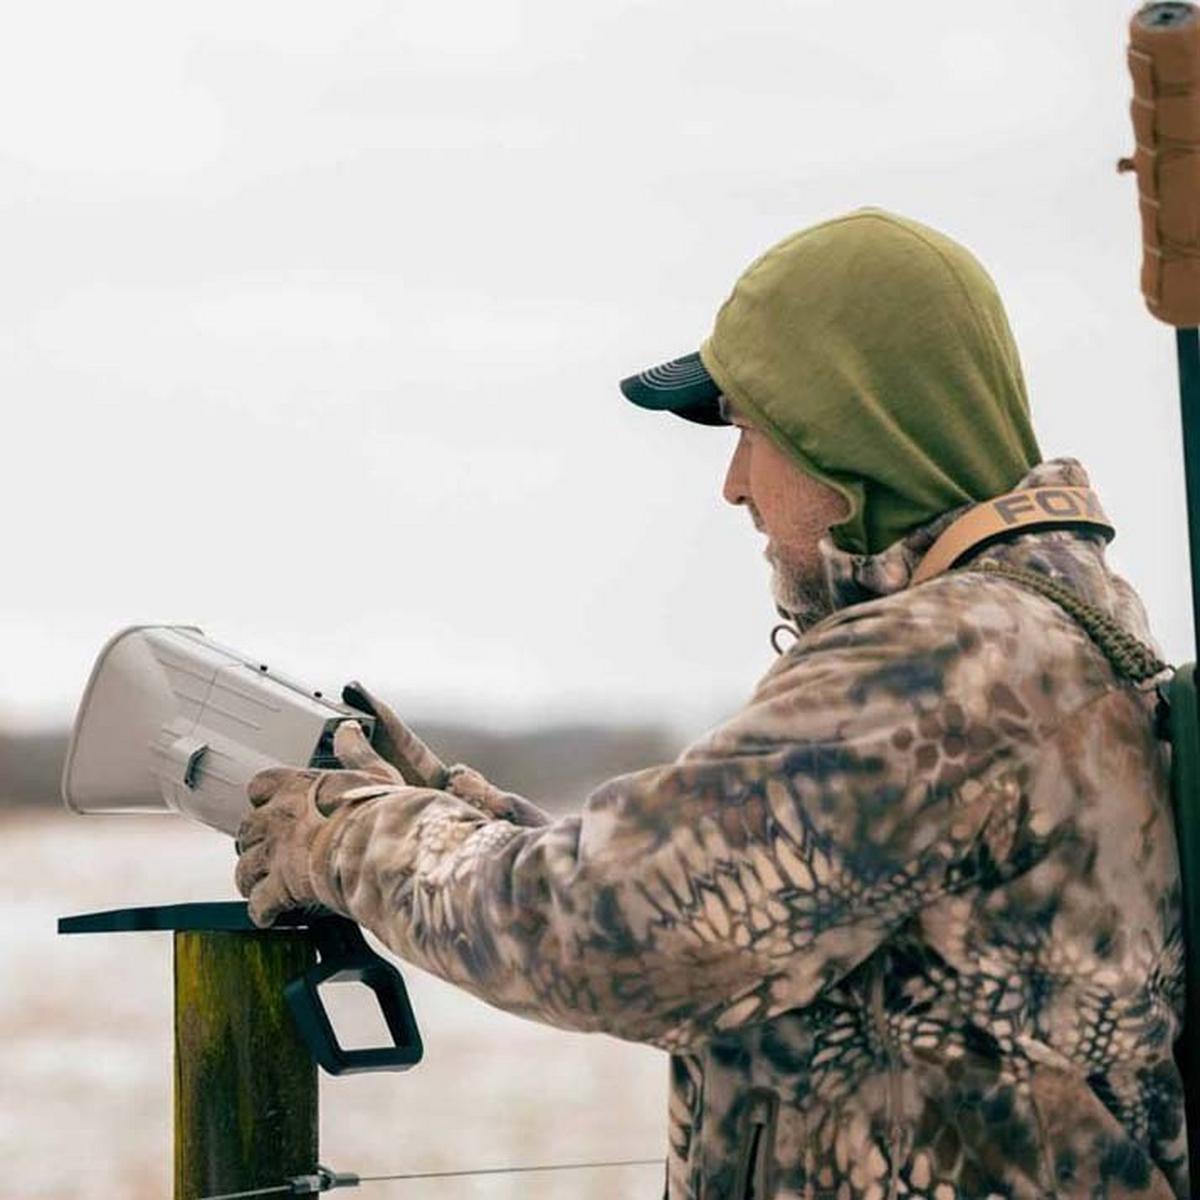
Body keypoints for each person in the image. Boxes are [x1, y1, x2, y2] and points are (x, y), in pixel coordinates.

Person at [234, 206, 1188, 1198]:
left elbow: (619, 931)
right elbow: (752, 911)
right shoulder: (1040, 629)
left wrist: (346, 839)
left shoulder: (944, 664)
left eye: (748, 431)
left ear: (849, 434)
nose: (734, 486)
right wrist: (466, 820)